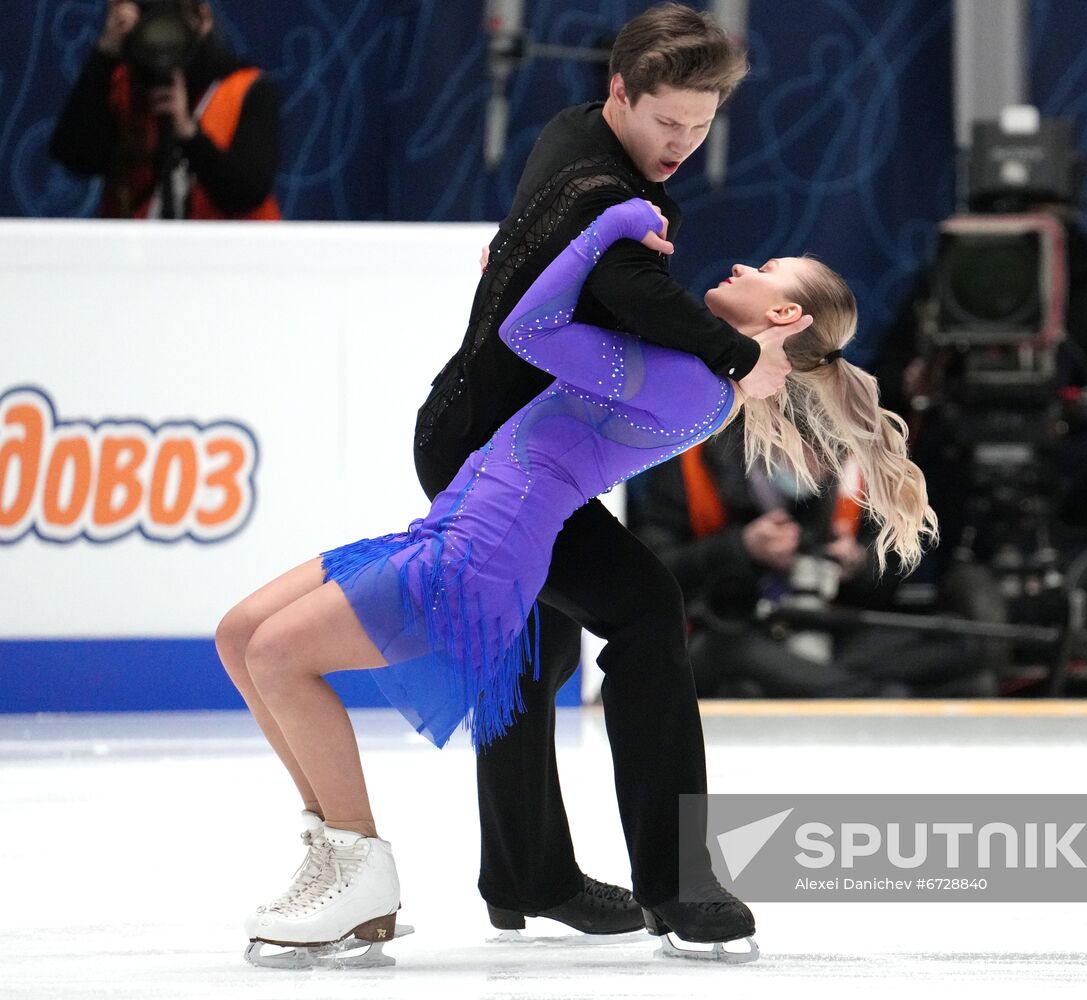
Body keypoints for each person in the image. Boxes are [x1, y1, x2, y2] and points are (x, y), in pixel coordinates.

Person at [214, 199, 935, 964]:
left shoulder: (691, 381)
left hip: (480, 554)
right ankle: (342, 848)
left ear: (783, 311)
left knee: (277, 658)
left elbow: (532, 331)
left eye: (763, 273)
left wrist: (610, 224)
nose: (740, 268)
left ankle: (360, 865)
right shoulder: (691, 364)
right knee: (239, 635)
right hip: (454, 526)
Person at [411, 4, 795, 947]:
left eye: (701, 127)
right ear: (620, 91)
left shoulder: (573, 133)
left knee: (530, 650)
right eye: (667, 122)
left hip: (483, 434)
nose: (682, 143)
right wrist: (738, 356)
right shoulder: (600, 188)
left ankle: (522, 875)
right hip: (494, 456)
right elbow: (626, 288)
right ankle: (680, 885)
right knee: (644, 611)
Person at [876, 206, 1087, 627]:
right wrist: (912, 380)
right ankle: (928, 597)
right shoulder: (949, 278)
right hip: (959, 450)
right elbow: (885, 381)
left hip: (1067, 451)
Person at [630, 414, 984, 697]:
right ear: (769, 438)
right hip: (729, 631)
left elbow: (892, 573)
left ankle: (827, 688)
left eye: (833, 451)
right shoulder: (691, 467)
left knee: (957, 648)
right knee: (730, 654)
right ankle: (878, 697)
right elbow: (649, 576)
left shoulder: (851, 472)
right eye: (812, 450)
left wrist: (860, 563)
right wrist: (740, 548)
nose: (824, 464)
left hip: (826, 629)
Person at [49, 0, 281, 220]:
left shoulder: (246, 88)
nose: (162, 30)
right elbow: (75, 157)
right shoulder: (120, 85)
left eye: (173, 13)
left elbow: (248, 192)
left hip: (231, 257)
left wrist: (189, 134)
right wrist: (106, 51)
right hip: (138, 256)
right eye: (149, 11)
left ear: (203, 18)